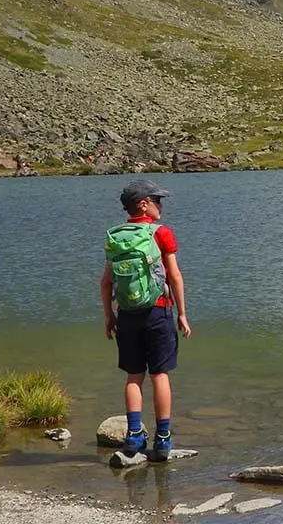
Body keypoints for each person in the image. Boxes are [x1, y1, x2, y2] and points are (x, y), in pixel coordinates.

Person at [102, 180, 191, 462]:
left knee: (133, 376)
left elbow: (106, 282)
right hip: (158, 310)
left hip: (127, 314)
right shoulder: (161, 233)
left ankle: (134, 436)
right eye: (157, 200)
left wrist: (109, 315)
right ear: (144, 204)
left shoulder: (116, 236)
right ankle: (163, 439)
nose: (160, 205)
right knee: (160, 374)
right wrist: (182, 314)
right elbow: (174, 276)